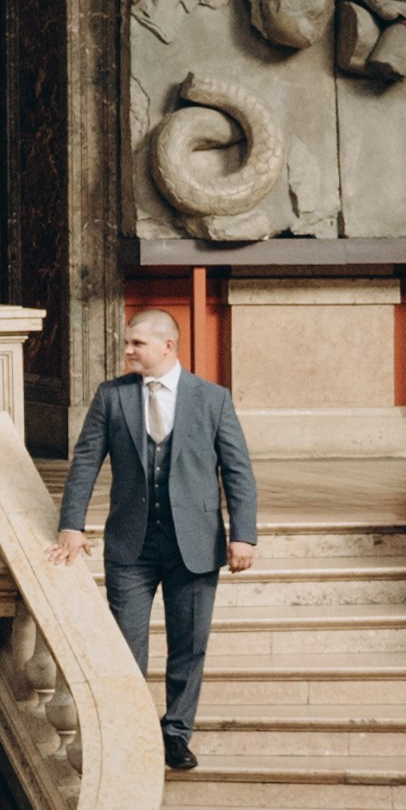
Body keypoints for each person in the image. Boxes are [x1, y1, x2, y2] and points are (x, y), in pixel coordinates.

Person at [48, 312, 257, 773]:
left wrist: (243, 535)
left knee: (189, 644)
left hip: (196, 544)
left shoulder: (212, 399)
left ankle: (176, 733)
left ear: (167, 346)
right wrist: (72, 525)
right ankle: (129, 732)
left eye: (136, 343)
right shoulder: (112, 396)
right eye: (127, 343)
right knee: (125, 646)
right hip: (131, 545)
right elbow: (85, 463)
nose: (127, 351)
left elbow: (238, 471)